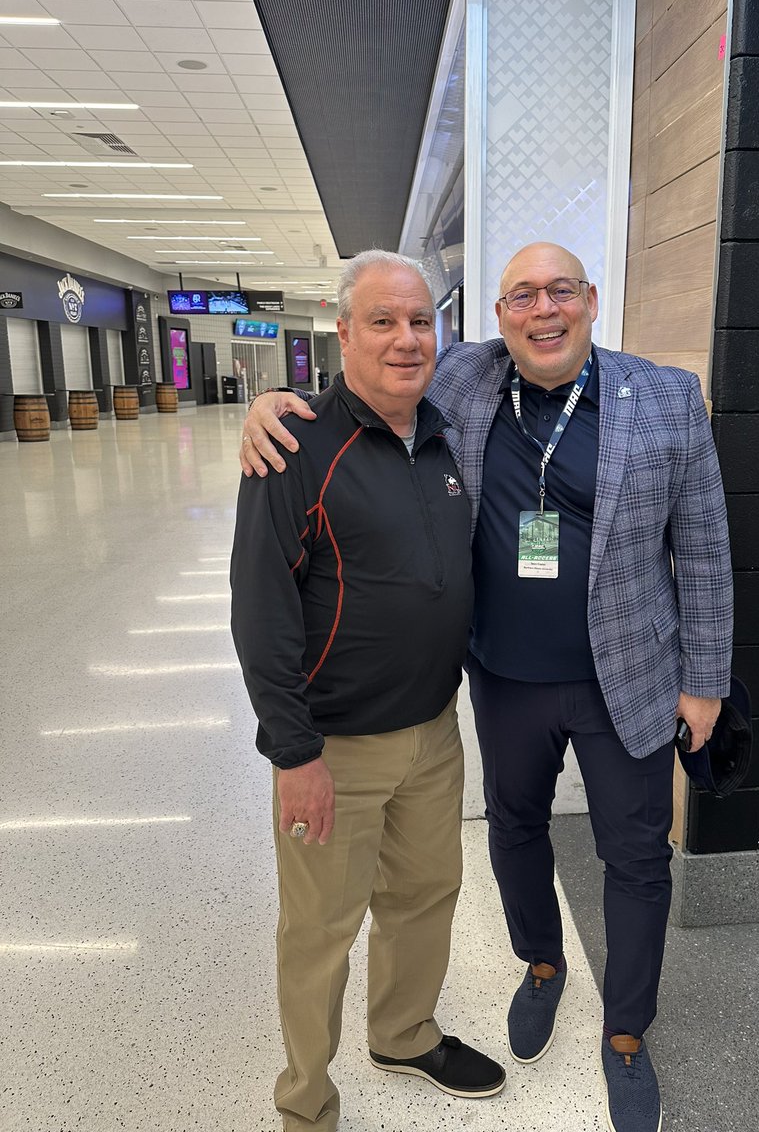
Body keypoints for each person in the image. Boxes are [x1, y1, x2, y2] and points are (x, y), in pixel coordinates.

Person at [240, 242, 733, 1132]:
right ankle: (540, 964)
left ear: (591, 300)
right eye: (521, 297)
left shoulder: (664, 399)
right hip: (503, 679)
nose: (544, 311)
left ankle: (626, 1031)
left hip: (628, 673)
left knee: (636, 855)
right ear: (498, 319)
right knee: (513, 829)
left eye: (561, 293)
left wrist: (705, 681)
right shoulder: (467, 379)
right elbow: (364, 385)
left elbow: (703, 547)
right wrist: (272, 404)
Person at [230, 249, 506, 1132]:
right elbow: (261, 608)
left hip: (432, 732)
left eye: (420, 321)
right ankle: (306, 1104)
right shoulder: (296, 444)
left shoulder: (448, 429)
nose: (405, 339)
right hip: (333, 748)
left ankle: (404, 1032)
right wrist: (294, 753)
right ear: (342, 330)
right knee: (318, 934)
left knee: (427, 898)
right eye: (382, 321)